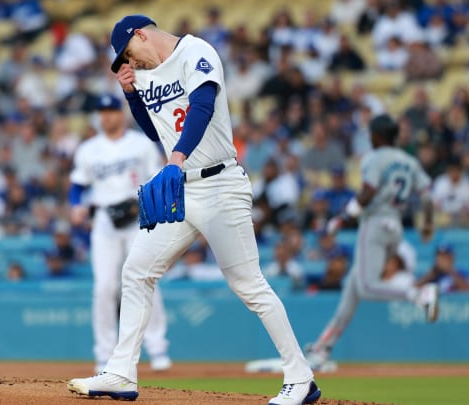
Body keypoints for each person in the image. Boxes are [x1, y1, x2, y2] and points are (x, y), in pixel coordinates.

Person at [67, 15, 320, 405]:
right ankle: (120, 372)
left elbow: (202, 106)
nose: (129, 63)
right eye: (123, 62)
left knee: (249, 285)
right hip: (182, 190)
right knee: (136, 271)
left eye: (128, 54)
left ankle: (300, 377)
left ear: (141, 35)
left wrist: (176, 158)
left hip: (220, 184)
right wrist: (133, 95)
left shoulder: (196, 51)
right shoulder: (145, 76)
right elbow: (156, 131)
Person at [304, 115, 439, 372]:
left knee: (366, 286)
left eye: (371, 134)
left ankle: (418, 294)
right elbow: (427, 198)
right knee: (352, 289)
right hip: (396, 226)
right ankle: (323, 348)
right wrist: (428, 224)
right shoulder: (409, 161)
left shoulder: (374, 158)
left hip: (375, 222)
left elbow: (367, 192)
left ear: (378, 136)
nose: (369, 137)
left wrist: (339, 220)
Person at [68, 93, 172, 374]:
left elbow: (157, 178)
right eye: (102, 112)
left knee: (145, 280)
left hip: (137, 216)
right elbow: (77, 185)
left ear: (121, 114)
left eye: (111, 111)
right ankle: (104, 354)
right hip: (104, 219)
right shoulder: (88, 149)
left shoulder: (140, 144)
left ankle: (157, 347)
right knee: (104, 287)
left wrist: (150, 209)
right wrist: (77, 206)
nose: (106, 116)